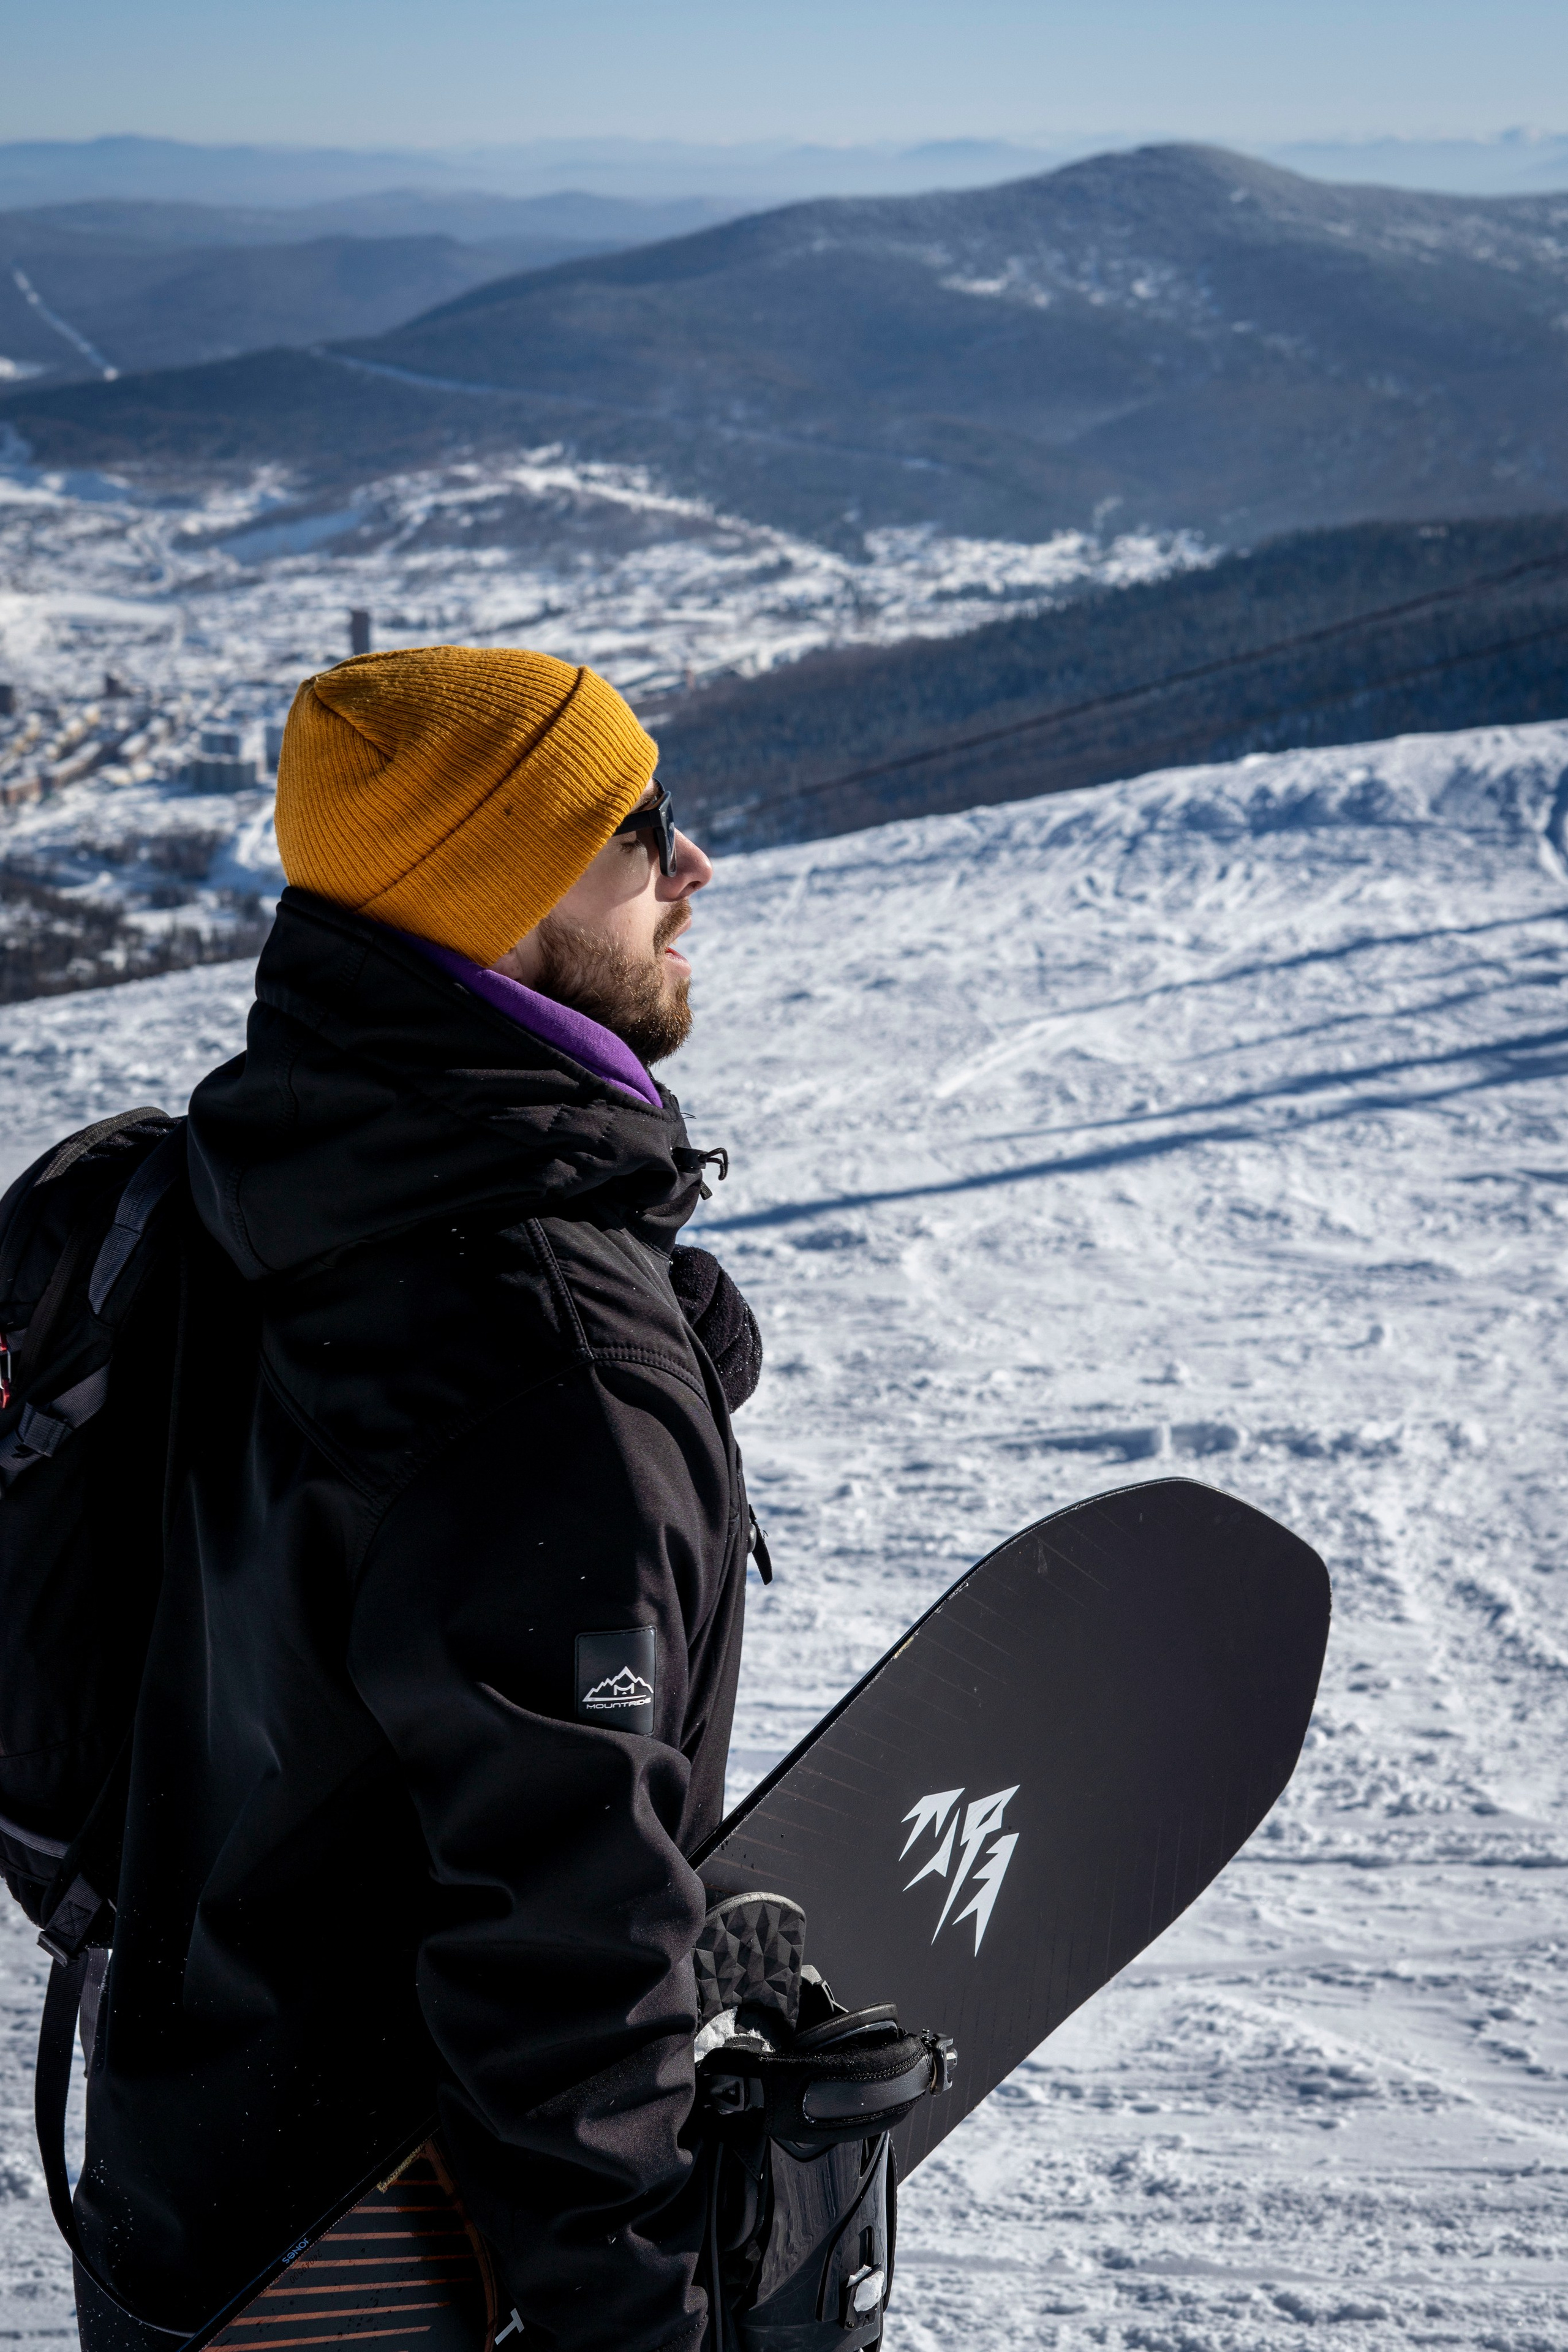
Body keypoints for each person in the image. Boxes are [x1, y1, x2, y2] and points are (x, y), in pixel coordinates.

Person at [70, 646, 761, 2352]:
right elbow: (567, 1958)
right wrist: (643, 2322)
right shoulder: (539, 1371)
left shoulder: (269, 1162)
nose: (693, 862)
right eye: (640, 828)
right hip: (388, 2273)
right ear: (494, 898)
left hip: (183, 2204)